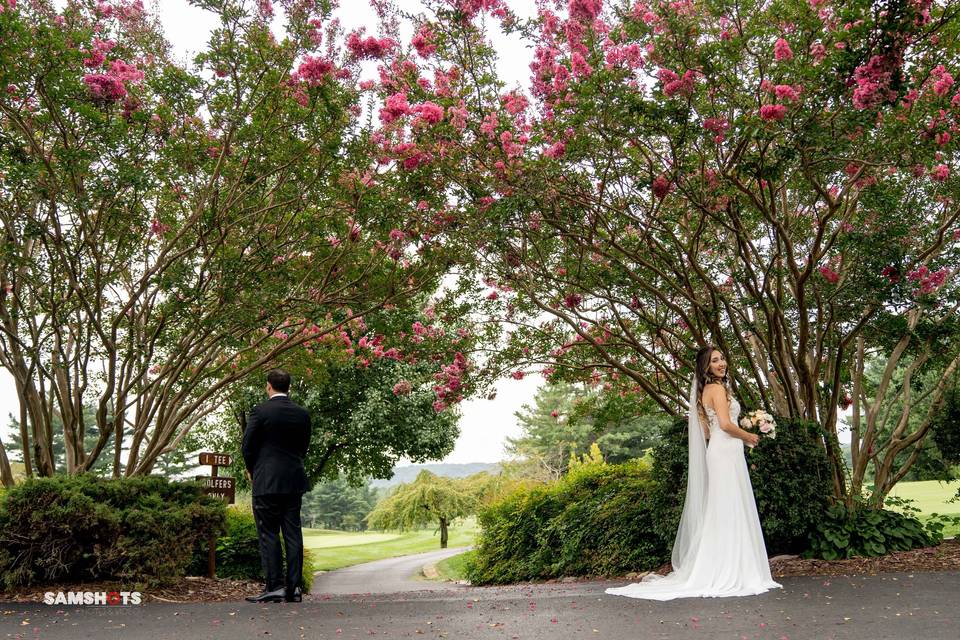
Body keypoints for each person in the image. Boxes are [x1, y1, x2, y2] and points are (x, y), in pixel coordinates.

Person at [605, 346, 782, 600]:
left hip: (720, 451)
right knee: (729, 506)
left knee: (723, 507)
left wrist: (737, 435)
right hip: (725, 452)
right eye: (715, 361)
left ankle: (725, 565)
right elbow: (723, 424)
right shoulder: (718, 389)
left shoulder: (706, 392)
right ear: (706, 367)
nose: (722, 363)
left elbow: (708, 432)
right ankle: (733, 569)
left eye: (722, 358)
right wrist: (749, 435)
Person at [242, 369, 312, 603]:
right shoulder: (302, 414)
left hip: (266, 481)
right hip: (293, 479)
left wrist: (253, 470)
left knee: (268, 533)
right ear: (288, 387)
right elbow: (304, 447)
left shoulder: (260, 411)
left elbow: (247, 446)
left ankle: (274, 586)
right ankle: (294, 589)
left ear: (268, 386)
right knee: (293, 533)